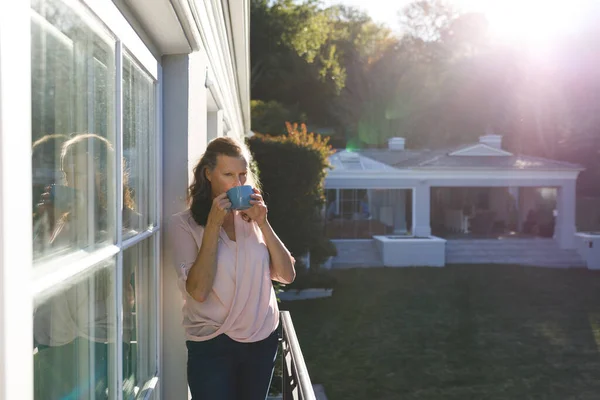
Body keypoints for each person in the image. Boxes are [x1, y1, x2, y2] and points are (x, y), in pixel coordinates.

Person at [169, 137, 296, 400]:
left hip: (261, 339)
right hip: (212, 344)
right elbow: (199, 292)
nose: (238, 184)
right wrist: (213, 226)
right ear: (208, 174)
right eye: (228, 174)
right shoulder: (184, 225)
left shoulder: (252, 220)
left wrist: (264, 223)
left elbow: (287, 274)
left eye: (242, 175)